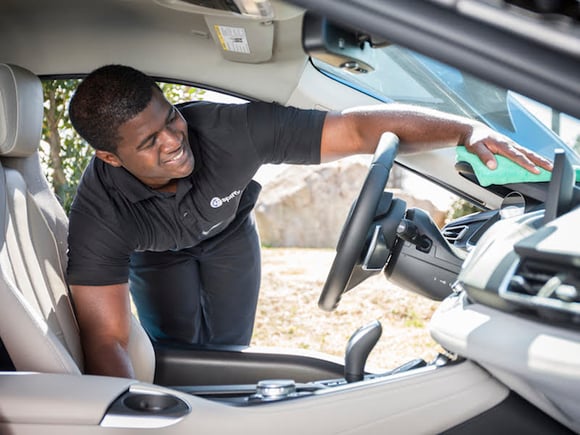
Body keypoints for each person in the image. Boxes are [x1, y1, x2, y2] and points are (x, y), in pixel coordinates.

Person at [67, 64, 551, 379]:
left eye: (170, 118)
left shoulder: (229, 130)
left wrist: (466, 131)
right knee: (176, 351)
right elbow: (107, 338)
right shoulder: (99, 215)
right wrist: (129, 417)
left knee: (230, 351)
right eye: (149, 142)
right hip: (156, 256)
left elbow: (358, 129)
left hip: (229, 234)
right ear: (110, 157)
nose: (173, 140)